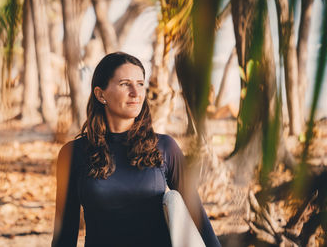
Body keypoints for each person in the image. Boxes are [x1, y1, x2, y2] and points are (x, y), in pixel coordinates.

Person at [52, 52, 220, 247]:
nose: (136, 92)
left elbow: (197, 215)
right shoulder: (73, 153)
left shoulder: (165, 147)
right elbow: (65, 230)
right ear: (100, 94)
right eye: (125, 84)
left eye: (140, 83)